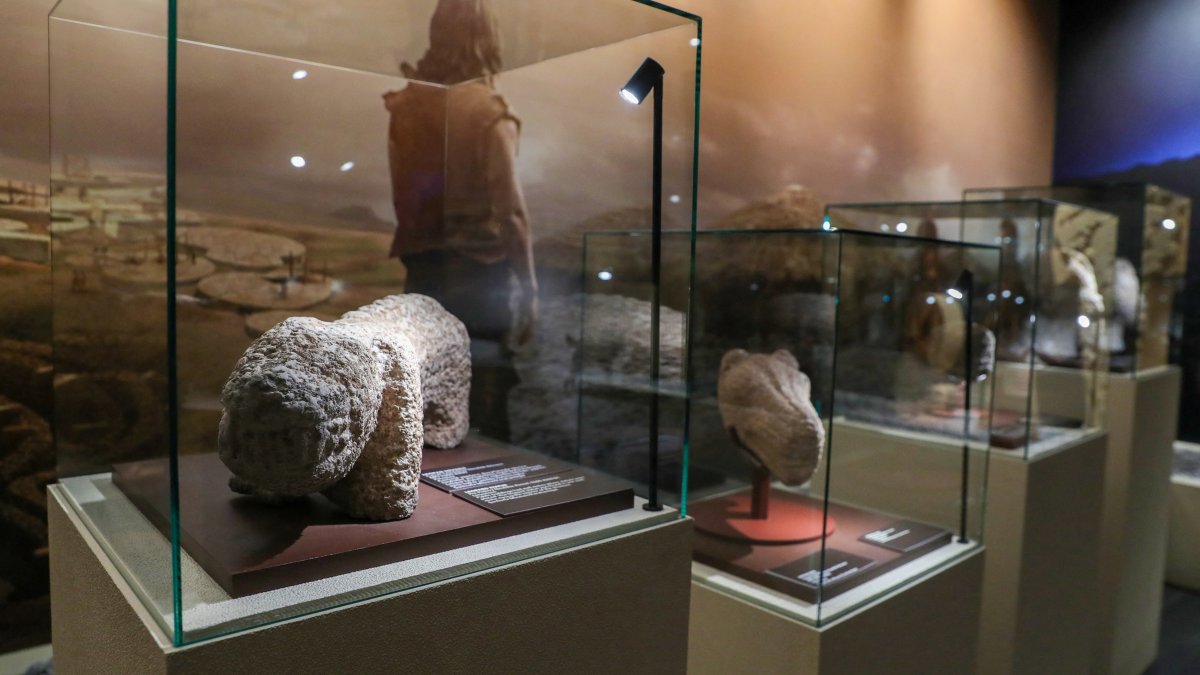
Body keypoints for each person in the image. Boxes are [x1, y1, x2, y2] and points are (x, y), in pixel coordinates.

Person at [385, 0, 536, 440]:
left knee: (422, 398)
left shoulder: (408, 104)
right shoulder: (488, 110)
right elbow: (511, 213)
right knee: (485, 402)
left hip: (424, 274)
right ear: (488, 36)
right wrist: (530, 290)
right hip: (480, 278)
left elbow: (404, 196)